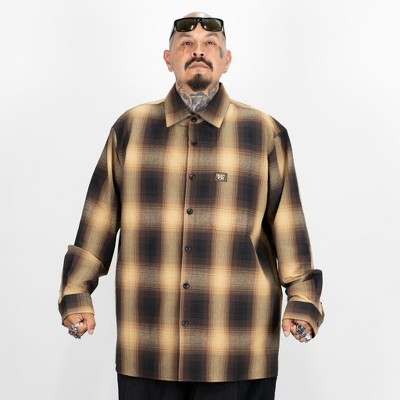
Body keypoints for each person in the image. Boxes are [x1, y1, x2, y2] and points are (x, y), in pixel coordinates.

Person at [59, 11, 324, 400]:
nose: (198, 51)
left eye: (210, 45)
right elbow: (98, 219)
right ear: (168, 59)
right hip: (149, 348)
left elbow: (288, 225)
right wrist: (76, 292)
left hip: (237, 349)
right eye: (186, 44)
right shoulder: (130, 128)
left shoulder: (264, 133)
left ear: (226, 59)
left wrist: (303, 301)